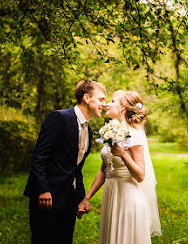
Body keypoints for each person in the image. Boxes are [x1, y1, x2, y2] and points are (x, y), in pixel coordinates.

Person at [24, 79, 107, 244]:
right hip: (47, 197)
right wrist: (43, 190)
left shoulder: (88, 131)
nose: (104, 104)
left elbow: (76, 168)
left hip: (68, 200)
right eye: (101, 99)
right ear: (86, 98)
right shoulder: (59, 118)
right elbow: (39, 157)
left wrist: (82, 198)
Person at [78, 90, 161, 244]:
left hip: (128, 198)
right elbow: (104, 170)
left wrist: (123, 154)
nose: (107, 104)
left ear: (122, 108)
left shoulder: (134, 135)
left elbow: (141, 175)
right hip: (111, 195)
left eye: (113, 101)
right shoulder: (112, 131)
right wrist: (86, 198)